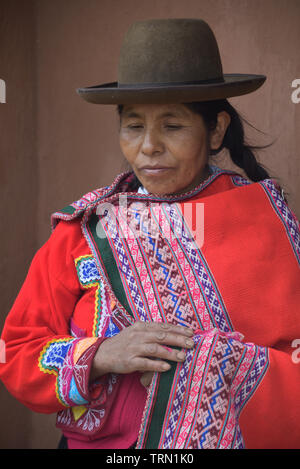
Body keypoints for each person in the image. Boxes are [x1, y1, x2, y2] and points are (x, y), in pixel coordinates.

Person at [1, 18, 300, 450]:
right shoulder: (84, 230)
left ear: (215, 129)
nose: (149, 147)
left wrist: (216, 363)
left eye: (173, 126)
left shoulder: (263, 223)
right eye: (134, 126)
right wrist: (101, 355)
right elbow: (17, 353)